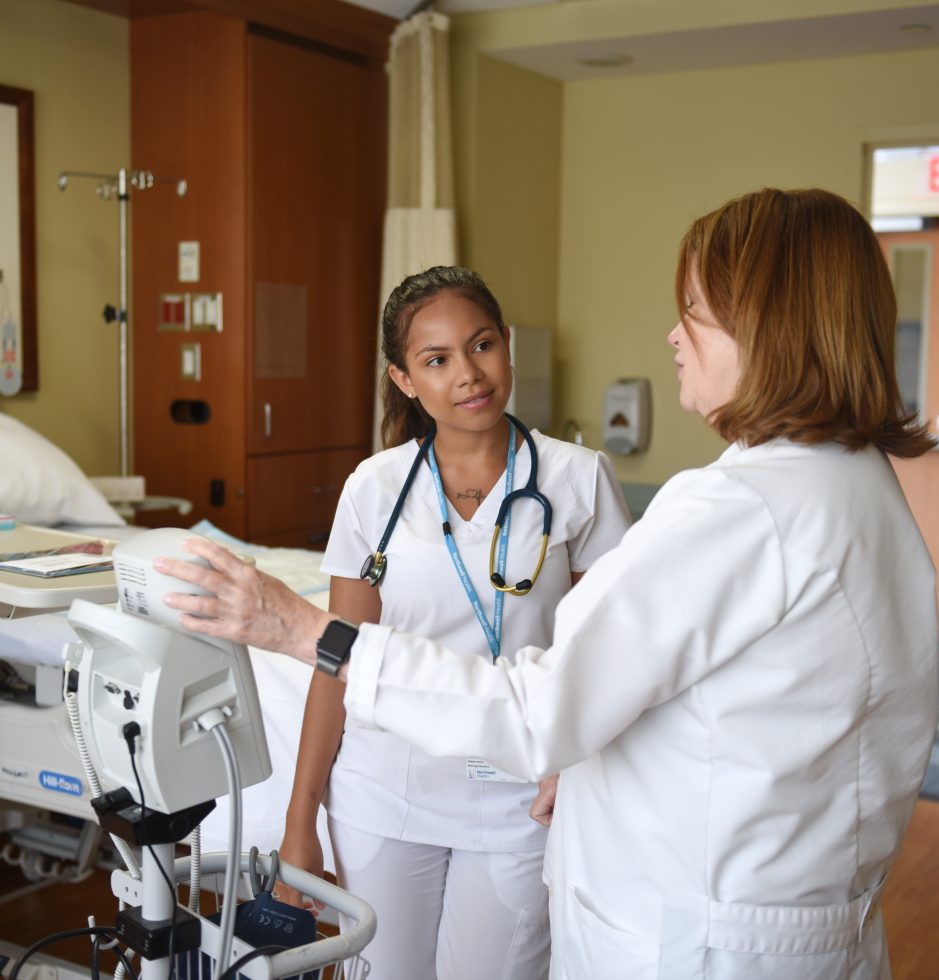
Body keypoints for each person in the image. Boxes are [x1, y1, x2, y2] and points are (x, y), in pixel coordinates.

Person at [160, 189, 939, 979]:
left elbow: (542, 708)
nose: (673, 334)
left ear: (768, 324)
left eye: (695, 308)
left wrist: (300, 629)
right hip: (781, 914)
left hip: (697, 931)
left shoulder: (733, 509)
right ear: (404, 379)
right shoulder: (857, 488)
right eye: (434, 360)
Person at [167, 265, 631, 980]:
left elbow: (608, 655)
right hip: (385, 792)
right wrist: (301, 822)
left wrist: (577, 764)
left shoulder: (577, 480)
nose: (468, 375)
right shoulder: (375, 489)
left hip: (520, 798)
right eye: (436, 360)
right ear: (405, 379)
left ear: (507, 346)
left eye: (481, 346)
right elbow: (334, 655)